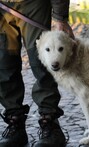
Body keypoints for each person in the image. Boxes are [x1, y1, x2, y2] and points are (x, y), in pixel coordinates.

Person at [0, 0, 74, 146]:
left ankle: (50, 122)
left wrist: (60, 17)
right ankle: (15, 120)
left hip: (33, 5)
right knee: (4, 64)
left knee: (41, 63)